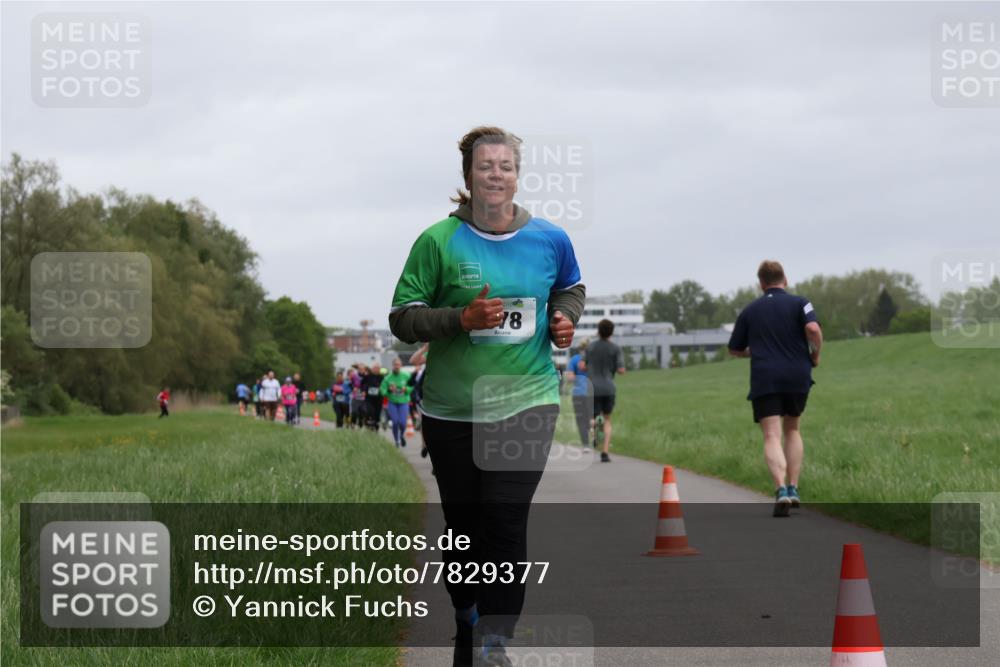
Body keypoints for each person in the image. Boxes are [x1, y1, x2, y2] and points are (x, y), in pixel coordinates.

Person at [388, 126, 584, 666]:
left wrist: (565, 317)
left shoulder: (550, 238)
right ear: (468, 176)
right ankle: (465, 616)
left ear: (518, 175)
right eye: (485, 166)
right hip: (453, 410)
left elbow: (570, 284)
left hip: (528, 399)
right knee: (464, 526)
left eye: (505, 166)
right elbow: (403, 319)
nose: (495, 174)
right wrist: (461, 318)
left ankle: (496, 640)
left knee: (504, 517)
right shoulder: (438, 242)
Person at [728, 260, 823, 518]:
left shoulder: (749, 311)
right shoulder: (801, 302)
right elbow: (813, 329)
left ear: (761, 284)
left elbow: (734, 348)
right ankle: (793, 488)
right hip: (797, 374)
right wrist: (815, 355)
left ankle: (780, 490)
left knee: (771, 435)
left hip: (765, 377)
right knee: (792, 429)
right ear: (786, 279)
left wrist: (755, 352)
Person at [585, 320, 625, 463]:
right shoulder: (615, 348)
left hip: (593, 387)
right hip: (608, 387)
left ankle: (593, 436)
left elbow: (584, 365)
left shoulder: (590, 347)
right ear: (612, 332)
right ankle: (605, 453)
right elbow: (621, 370)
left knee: (593, 417)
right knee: (607, 419)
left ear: (598, 331)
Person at [564, 341, 593, 447]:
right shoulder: (593, 359)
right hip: (593, 393)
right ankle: (595, 438)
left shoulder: (574, 359)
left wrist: (577, 377)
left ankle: (586, 445)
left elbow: (570, 378)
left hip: (578, 394)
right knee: (592, 417)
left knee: (581, 419)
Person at [382, 357, 412, 447]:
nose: (397, 366)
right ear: (393, 366)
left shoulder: (406, 376)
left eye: (398, 365)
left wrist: (405, 389)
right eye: (395, 365)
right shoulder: (388, 378)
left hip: (403, 402)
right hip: (392, 402)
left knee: (402, 423)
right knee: (395, 422)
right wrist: (389, 390)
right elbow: (382, 390)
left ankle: (401, 436)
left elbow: (412, 387)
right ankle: (396, 440)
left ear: (401, 365)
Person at [361, 363, 384, 431]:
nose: (376, 370)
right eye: (375, 368)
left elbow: (385, 386)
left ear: (380, 369)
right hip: (369, 398)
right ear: (372, 369)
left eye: (378, 368)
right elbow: (362, 384)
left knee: (377, 413)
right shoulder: (368, 376)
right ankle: (368, 422)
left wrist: (382, 389)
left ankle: (376, 425)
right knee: (370, 411)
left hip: (378, 398)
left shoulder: (382, 377)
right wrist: (363, 390)